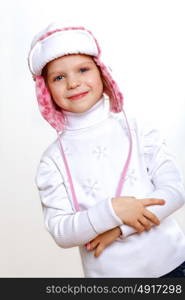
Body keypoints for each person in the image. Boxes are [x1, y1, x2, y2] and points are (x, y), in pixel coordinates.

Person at [28, 23, 185, 277]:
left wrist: (119, 228)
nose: (73, 82)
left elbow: (176, 190)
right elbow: (61, 230)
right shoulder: (52, 161)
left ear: (102, 73)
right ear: (46, 91)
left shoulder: (138, 130)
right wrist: (111, 210)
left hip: (175, 265)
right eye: (59, 77)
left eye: (83, 69)